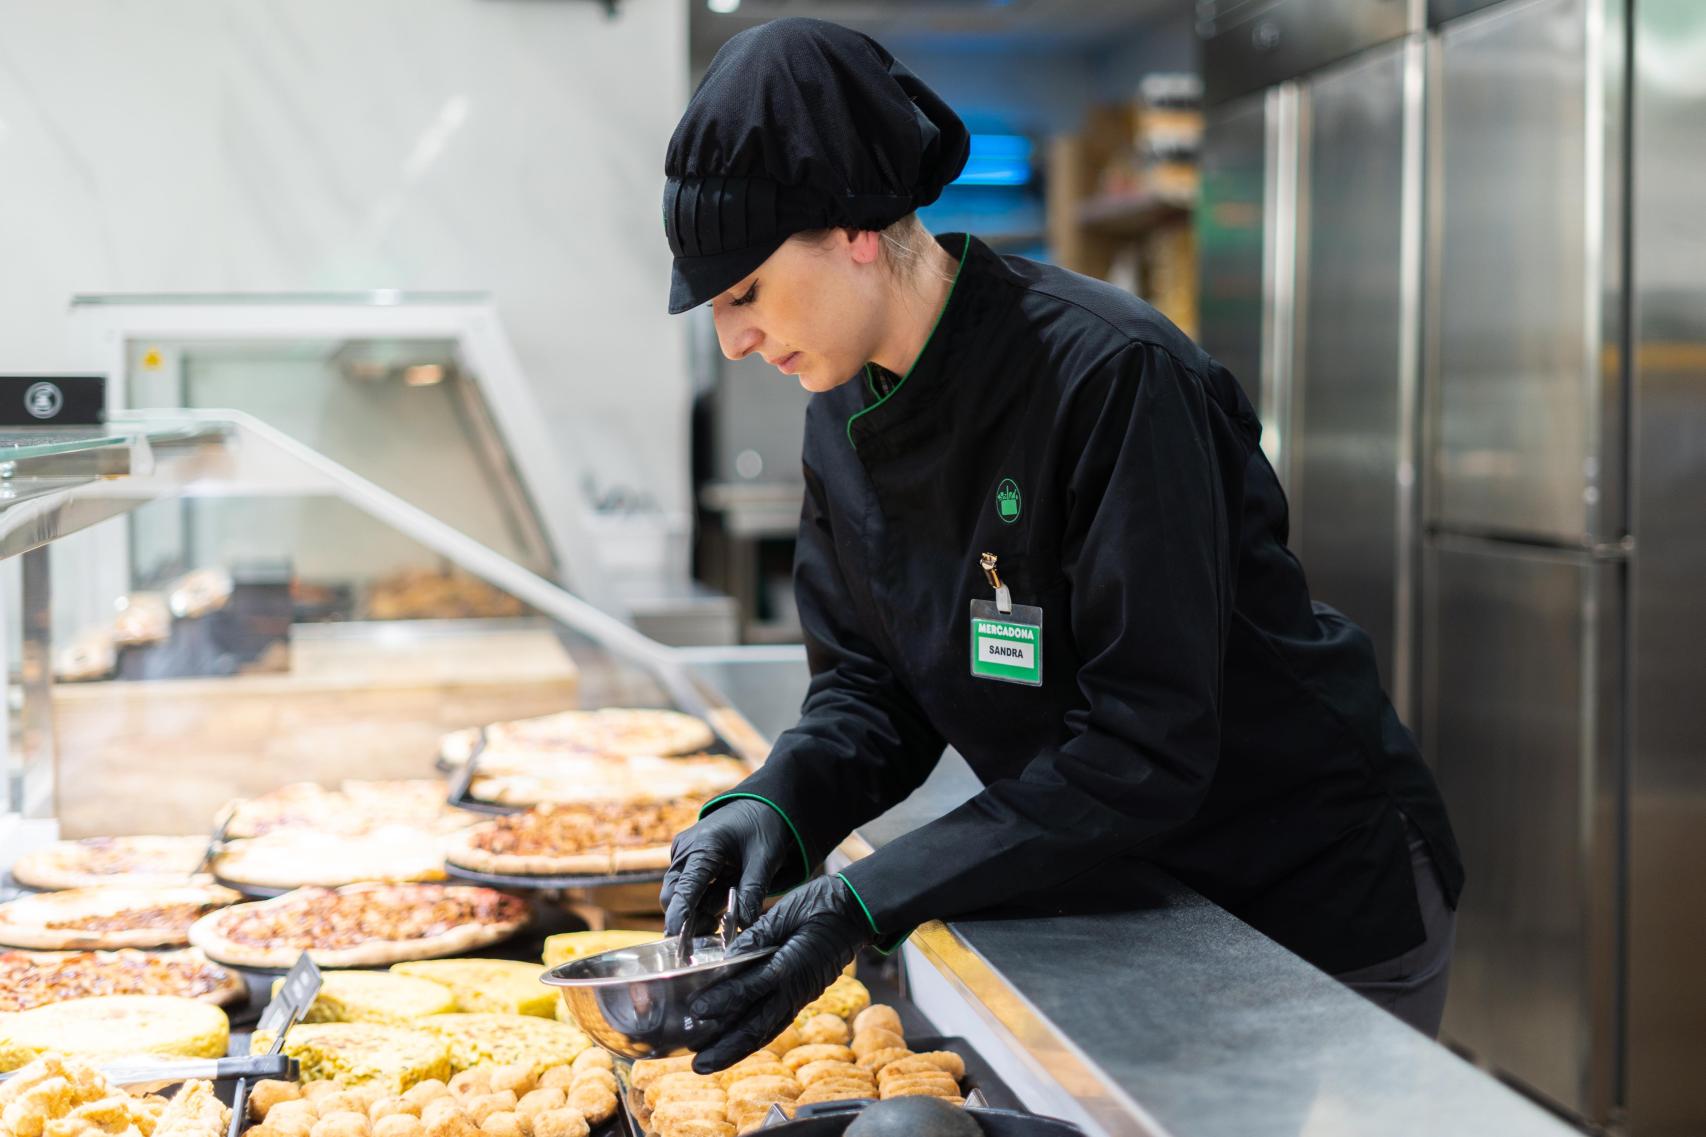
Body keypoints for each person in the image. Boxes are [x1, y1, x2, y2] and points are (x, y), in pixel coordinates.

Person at [658, 18, 1463, 1072]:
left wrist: (866, 896)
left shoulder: (1110, 377)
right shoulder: (838, 408)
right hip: (1120, 895)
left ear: (854, 226)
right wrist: (776, 803)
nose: (733, 340)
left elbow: (1144, 741)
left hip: (1301, 896)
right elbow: (872, 687)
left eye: (743, 292)